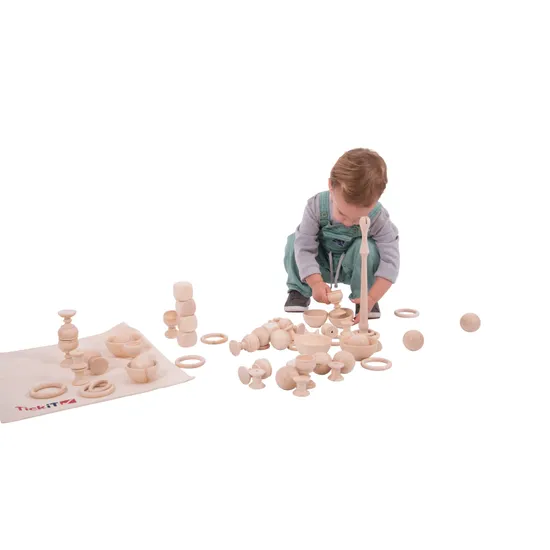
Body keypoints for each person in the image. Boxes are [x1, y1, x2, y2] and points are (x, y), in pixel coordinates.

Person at [283, 148, 399, 321]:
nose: (348, 223)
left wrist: (372, 297)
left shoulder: (378, 217)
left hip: (353, 268)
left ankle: (363, 297)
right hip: (319, 266)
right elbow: (305, 247)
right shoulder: (316, 206)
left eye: (358, 219)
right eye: (342, 214)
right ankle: (299, 290)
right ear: (331, 185)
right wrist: (315, 282)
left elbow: (390, 261)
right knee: (295, 241)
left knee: (369, 248)